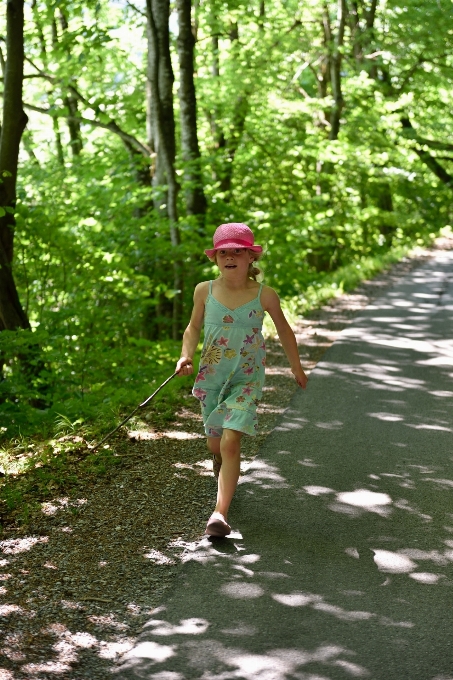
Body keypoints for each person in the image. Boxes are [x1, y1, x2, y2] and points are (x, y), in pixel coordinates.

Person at [176, 223, 308, 537]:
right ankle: (222, 468)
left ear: (251, 257)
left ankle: (219, 514)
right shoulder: (204, 290)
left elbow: (285, 331)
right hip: (212, 377)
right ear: (215, 258)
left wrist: (296, 367)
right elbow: (193, 328)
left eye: (238, 251)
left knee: (231, 442)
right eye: (224, 252)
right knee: (216, 444)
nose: (231, 256)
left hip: (246, 378)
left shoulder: (264, 295)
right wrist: (185, 355)